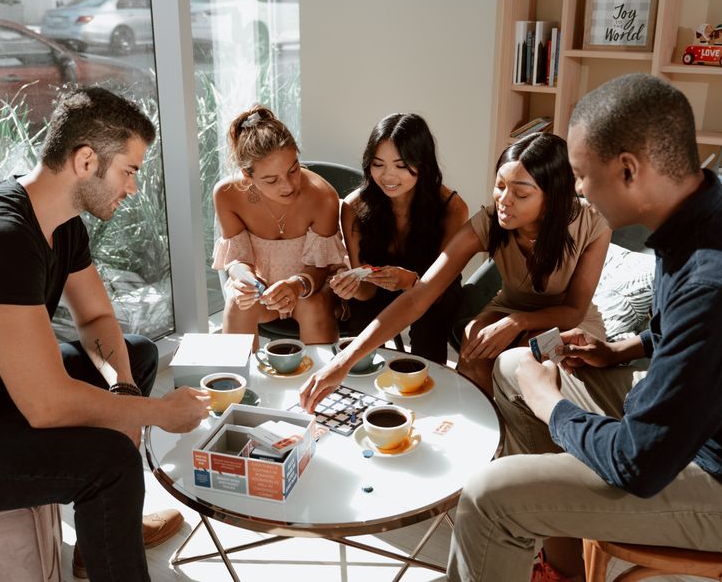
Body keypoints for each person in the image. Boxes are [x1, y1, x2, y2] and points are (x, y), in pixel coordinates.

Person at [447, 73, 722, 582]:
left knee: (489, 496)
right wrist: (623, 347)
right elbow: (717, 334)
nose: (580, 192)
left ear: (629, 170)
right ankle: (562, 570)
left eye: (583, 176)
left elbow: (640, 463)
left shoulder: (716, 283)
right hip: (709, 421)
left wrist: (552, 404)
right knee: (512, 365)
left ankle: (516, 529)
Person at [0, 87, 211, 582]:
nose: (133, 187)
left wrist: (123, 390)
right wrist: (158, 412)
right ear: (87, 160)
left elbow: (95, 320)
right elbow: (46, 404)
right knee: (111, 462)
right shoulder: (0, 237)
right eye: (129, 170)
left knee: (132, 358)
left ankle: (101, 538)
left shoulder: (61, 223)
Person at [300, 130, 611, 403]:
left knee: (531, 360)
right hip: (511, 307)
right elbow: (418, 296)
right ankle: (481, 431)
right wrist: (341, 364)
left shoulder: (593, 223)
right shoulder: (490, 222)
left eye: (521, 193)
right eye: (499, 185)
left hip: (568, 319)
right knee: (475, 337)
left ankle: (524, 440)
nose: (503, 200)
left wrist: (518, 323)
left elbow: (574, 309)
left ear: (553, 197)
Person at [331, 113, 468, 363]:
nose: (388, 176)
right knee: (360, 320)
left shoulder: (452, 208)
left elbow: (437, 290)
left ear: (422, 163)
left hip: (434, 291)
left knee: (430, 321)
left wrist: (410, 282)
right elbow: (366, 293)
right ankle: (365, 392)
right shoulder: (353, 206)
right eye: (378, 164)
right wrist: (352, 289)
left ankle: (424, 389)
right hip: (378, 291)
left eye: (401, 165)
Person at [213, 105, 346, 347]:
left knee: (311, 305)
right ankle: (237, 381)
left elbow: (322, 267)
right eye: (271, 180)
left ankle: (323, 381)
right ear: (246, 175)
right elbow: (237, 258)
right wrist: (245, 278)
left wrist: (298, 285)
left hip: (313, 287)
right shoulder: (226, 194)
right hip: (263, 292)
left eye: (293, 169)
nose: (288, 186)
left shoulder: (323, 197)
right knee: (238, 301)